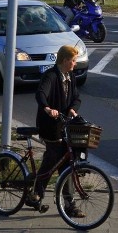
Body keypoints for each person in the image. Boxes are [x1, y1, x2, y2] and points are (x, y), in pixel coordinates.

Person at [31, 45, 85, 217]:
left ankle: (65, 203)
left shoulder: (70, 77)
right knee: (54, 158)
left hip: (64, 126)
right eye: (73, 61)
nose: (75, 64)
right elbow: (41, 94)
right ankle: (38, 194)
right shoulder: (51, 76)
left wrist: (72, 110)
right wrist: (48, 109)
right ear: (64, 60)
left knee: (66, 163)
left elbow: (76, 97)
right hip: (50, 125)